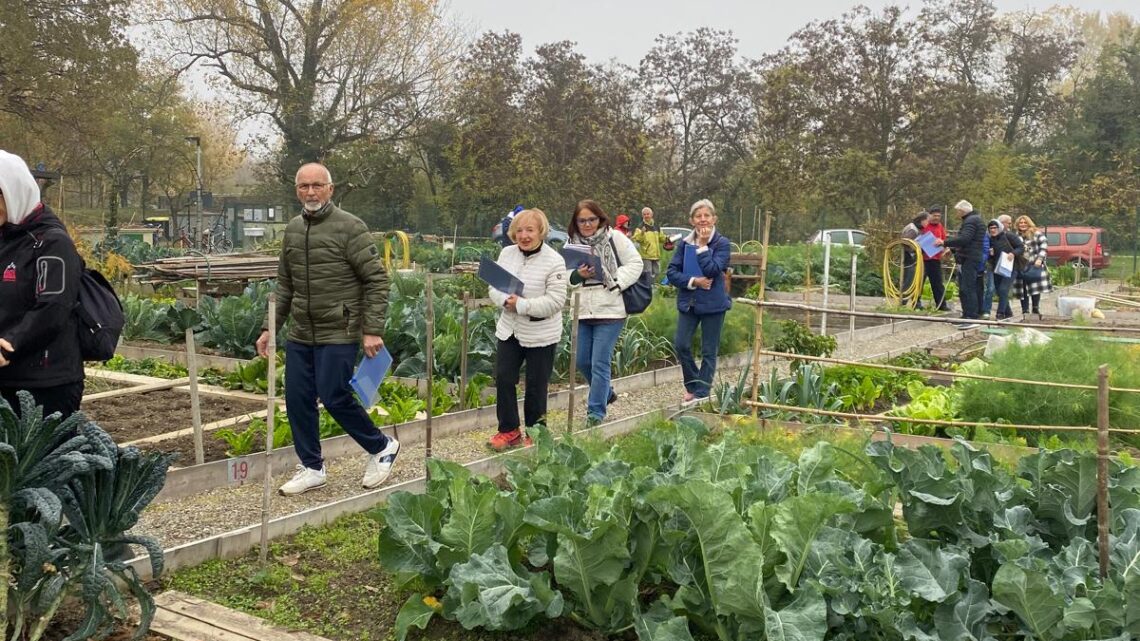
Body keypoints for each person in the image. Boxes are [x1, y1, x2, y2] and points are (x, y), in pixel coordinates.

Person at [256, 162, 399, 496]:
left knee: (334, 395)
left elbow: (376, 280)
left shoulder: (350, 227)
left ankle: (381, 446)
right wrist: (269, 328)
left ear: (330, 189)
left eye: (317, 185)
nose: (310, 192)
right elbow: (285, 285)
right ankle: (312, 467)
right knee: (297, 398)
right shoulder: (293, 229)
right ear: (296, 191)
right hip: (302, 332)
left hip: (340, 328)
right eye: (304, 186)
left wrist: (372, 329)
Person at [0, 150, 85, 419]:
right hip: (6, 377)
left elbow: (53, 307)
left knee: (44, 459)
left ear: (14, 192)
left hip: (45, 383)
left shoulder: (52, 242)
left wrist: (9, 343)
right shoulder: (6, 237)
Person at [486, 209, 567, 451]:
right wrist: (504, 300)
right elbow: (494, 286)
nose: (524, 235)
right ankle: (509, 430)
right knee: (503, 378)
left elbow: (555, 301)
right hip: (509, 328)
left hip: (541, 332)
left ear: (541, 232)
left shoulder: (554, 261)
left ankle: (536, 431)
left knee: (536, 384)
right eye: (519, 230)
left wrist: (521, 305)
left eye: (530, 230)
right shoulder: (507, 254)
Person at [567, 199, 642, 426]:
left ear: (600, 219)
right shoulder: (571, 243)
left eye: (592, 219)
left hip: (610, 308)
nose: (587, 224)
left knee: (600, 362)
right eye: (582, 220)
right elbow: (566, 277)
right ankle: (606, 392)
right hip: (582, 309)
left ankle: (595, 413)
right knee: (582, 362)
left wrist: (615, 280)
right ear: (576, 222)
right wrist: (579, 275)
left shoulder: (614, 237)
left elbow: (636, 264)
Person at [666, 199, 732, 403]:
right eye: (698, 216)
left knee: (708, 350)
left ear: (714, 219)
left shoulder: (722, 243)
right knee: (681, 344)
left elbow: (714, 270)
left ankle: (701, 394)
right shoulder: (684, 244)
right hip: (689, 302)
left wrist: (703, 247)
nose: (702, 219)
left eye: (706, 215)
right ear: (692, 220)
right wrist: (694, 281)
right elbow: (671, 272)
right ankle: (694, 384)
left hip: (713, 304)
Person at [937, 199, 984, 329]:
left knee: (968, 288)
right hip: (966, 257)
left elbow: (965, 239)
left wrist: (944, 243)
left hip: (969, 258)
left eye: (957, 211)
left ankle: (972, 317)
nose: (956, 214)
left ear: (962, 211)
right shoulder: (973, 220)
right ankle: (966, 314)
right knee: (963, 288)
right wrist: (952, 250)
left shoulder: (971, 221)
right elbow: (967, 241)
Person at [1012, 215, 1052, 317]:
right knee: (1022, 287)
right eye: (1021, 223)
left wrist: (1040, 259)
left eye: (1025, 222)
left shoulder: (1037, 233)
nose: (1023, 224)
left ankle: (1035, 308)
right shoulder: (1015, 235)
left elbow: (1044, 246)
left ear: (1029, 223)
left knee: (1035, 286)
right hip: (1020, 264)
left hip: (1034, 263)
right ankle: (1025, 310)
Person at [985, 219, 1024, 321]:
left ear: (1000, 228)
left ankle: (1000, 313)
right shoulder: (989, 240)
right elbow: (989, 257)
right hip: (997, 268)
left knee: (1003, 289)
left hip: (1011, 267)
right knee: (999, 291)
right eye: (991, 228)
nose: (993, 230)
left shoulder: (1008, 236)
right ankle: (1008, 313)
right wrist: (991, 254)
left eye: (995, 228)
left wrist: (1013, 253)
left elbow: (1021, 247)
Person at [901, 211, 929, 309]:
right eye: (927, 221)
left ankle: (915, 302)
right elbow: (905, 242)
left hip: (912, 258)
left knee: (914, 280)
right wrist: (916, 247)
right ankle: (902, 302)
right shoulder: (913, 229)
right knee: (909, 280)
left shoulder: (916, 228)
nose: (928, 223)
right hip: (910, 259)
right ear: (922, 220)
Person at [923, 206, 950, 311]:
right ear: (930, 215)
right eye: (935, 216)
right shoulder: (925, 226)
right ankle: (916, 303)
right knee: (919, 282)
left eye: (939, 216)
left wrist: (945, 249)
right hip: (923, 259)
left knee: (938, 283)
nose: (937, 218)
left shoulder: (940, 227)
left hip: (935, 259)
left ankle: (941, 305)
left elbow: (944, 241)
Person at [632, 207, 666, 279]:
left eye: (648, 214)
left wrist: (669, 239)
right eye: (644, 214)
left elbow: (662, 238)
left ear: (652, 214)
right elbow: (637, 239)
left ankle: (654, 288)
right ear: (642, 216)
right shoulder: (640, 227)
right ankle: (648, 288)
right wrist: (642, 233)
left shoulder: (656, 226)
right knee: (648, 275)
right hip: (646, 256)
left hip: (656, 255)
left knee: (657, 273)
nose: (646, 216)